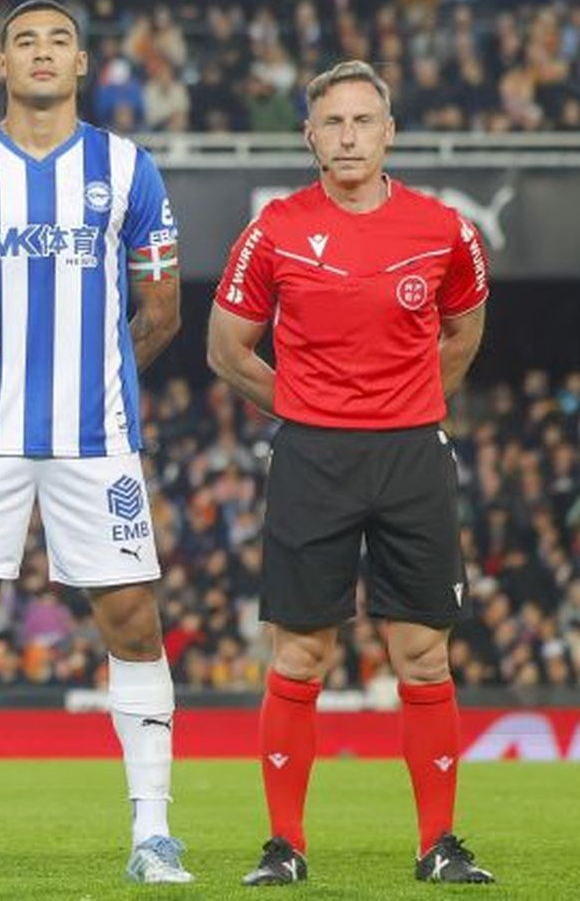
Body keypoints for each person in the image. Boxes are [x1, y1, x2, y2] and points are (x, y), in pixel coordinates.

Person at [0, 0, 195, 887]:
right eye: (25, 40)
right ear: (2, 62)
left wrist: (102, 376)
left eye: (58, 40)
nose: (42, 52)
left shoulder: (128, 167)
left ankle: (153, 834)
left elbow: (164, 306)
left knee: (134, 623)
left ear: (82, 61)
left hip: (95, 440)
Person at [209, 59, 494, 886]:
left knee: (425, 659)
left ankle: (437, 844)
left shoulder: (444, 228)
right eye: (332, 123)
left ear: (388, 131)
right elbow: (227, 349)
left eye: (362, 121)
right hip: (312, 457)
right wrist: (304, 405)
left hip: (411, 455)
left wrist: (408, 406)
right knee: (300, 657)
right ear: (309, 136)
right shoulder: (274, 230)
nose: (347, 137)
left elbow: (465, 331)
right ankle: (285, 846)